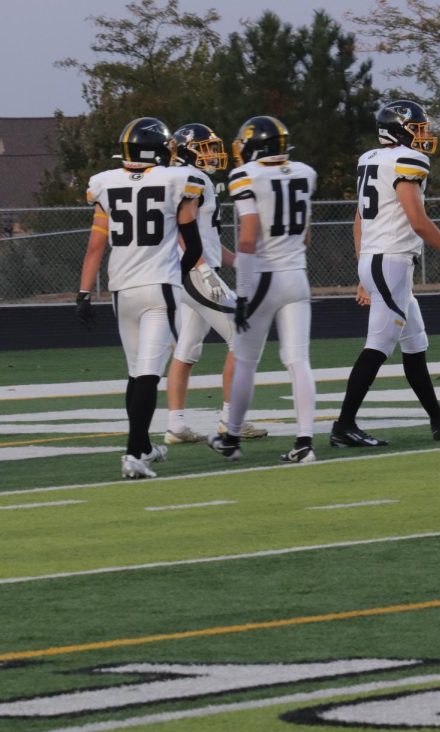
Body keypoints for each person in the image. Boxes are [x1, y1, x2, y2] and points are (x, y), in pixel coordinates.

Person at [330, 99, 440, 449]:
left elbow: (359, 219)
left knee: (415, 343)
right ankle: (344, 425)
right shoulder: (407, 160)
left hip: (380, 259)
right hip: (391, 260)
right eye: (418, 128)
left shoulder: (371, 159)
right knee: (378, 345)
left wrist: (362, 268)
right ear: (398, 130)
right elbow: (418, 220)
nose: (424, 135)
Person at [76, 116, 204, 478]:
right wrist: (178, 276)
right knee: (148, 374)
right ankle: (133, 455)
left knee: (136, 373)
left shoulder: (104, 183)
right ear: (159, 150)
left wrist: (83, 294)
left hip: (121, 290)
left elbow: (94, 247)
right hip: (158, 287)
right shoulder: (177, 180)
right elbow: (192, 245)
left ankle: (143, 445)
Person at [207, 116, 319, 463]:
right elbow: (306, 235)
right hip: (297, 276)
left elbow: (248, 236)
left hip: (263, 278)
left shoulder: (247, 176)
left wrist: (242, 293)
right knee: (298, 360)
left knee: (245, 360)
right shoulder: (305, 172)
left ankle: (232, 437)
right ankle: (304, 442)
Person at [163, 122, 268, 445]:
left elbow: (204, 236)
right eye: (206, 147)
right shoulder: (190, 178)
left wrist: (238, 261)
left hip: (189, 271)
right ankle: (230, 420)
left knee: (187, 349)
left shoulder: (187, 177)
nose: (212, 153)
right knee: (244, 334)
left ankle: (176, 425)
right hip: (195, 272)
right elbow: (182, 230)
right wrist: (202, 268)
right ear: (186, 148)